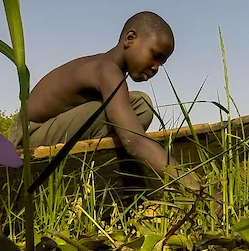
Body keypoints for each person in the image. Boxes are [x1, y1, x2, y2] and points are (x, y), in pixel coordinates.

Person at [11, 12, 213, 198]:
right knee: (133, 113)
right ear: (130, 39)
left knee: (137, 105)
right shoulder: (107, 70)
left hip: (46, 130)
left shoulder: (109, 71)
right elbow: (134, 141)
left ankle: (94, 177)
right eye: (155, 55)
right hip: (28, 138)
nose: (156, 67)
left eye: (162, 62)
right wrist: (198, 190)